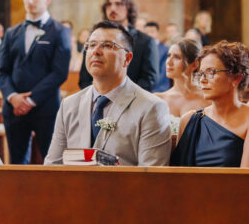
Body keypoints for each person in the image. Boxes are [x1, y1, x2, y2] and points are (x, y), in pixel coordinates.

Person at [45, 21, 171, 166]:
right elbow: (52, 166)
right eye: (91, 45)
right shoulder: (69, 104)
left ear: (127, 59)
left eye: (107, 45)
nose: (96, 51)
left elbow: (151, 177)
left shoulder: (151, 107)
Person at [0, 0, 71, 164]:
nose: (30, 1)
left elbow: (59, 72)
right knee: (16, 162)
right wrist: (13, 97)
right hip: (14, 109)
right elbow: (2, 71)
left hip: (46, 107)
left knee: (52, 160)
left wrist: (30, 100)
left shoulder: (60, 31)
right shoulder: (12, 32)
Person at [170, 40, 249, 167]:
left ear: (236, 78)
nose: (203, 80)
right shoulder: (189, 120)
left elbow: (248, 179)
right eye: (201, 74)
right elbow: (179, 175)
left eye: (211, 72)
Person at [78, 0, 158, 91]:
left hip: (132, 101)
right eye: (109, 4)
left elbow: (149, 80)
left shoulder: (145, 41)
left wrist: (119, 97)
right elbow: (84, 78)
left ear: (129, 8)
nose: (112, 8)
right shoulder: (93, 39)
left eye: (118, 4)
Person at [155, 39, 207, 117]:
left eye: (177, 57)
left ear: (195, 64)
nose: (169, 62)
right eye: (169, 56)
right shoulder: (158, 99)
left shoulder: (207, 99)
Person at [144, 21, 170, 92]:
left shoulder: (165, 49)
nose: (149, 34)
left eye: (152, 32)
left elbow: (164, 73)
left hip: (160, 87)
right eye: (147, 32)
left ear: (157, 33)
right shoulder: (142, 49)